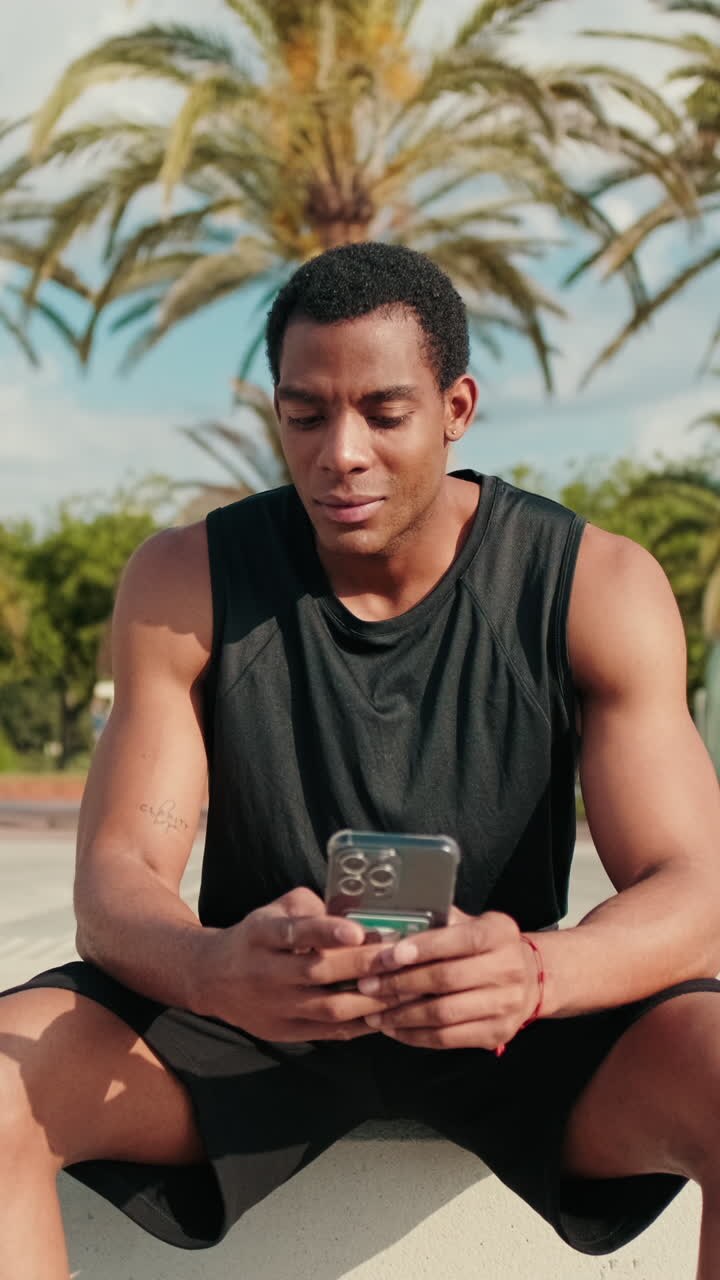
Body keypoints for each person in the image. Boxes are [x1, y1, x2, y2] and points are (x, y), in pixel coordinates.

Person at [2, 242, 720, 1280]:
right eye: (305, 414)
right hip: (257, 1013)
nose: (341, 451)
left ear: (456, 406)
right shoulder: (184, 581)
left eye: (384, 413)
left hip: (510, 1015)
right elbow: (114, 885)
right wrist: (213, 965)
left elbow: (695, 888)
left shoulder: (593, 585)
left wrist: (530, 970)